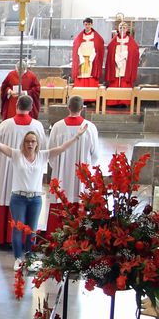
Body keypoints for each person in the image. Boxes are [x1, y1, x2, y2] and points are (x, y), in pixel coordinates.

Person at [0, 115, 89, 268]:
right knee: (18, 230)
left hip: (35, 199)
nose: (30, 144)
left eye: (33, 141)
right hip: (18, 198)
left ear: (37, 143)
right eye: (27, 141)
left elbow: (62, 148)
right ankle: (18, 258)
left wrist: (77, 136)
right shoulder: (16, 155)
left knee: (32, 231)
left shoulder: (42, 156)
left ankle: (29, 259)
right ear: (23, 143)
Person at [0, 94, 47, 248]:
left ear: (16, 106)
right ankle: (26, 245)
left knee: (7, 199)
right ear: (31, 108)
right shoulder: (37, 126)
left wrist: (3, 164)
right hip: (29, 175)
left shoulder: (5, 125)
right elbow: (42, 150)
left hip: (9, 169)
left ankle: (4, 239)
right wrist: (36, 168)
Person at [45, 95, 100, 231]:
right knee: (80, 201)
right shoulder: (90, 127)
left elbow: (51, 153)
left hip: (61, 175)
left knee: (60, 203)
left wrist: (58, 167)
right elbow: (96, 155)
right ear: (82, 108)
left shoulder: (57, 127)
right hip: (81, 177)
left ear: (68, 107)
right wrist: (86, 167)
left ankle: (56, 239)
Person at [103, 20, 140, 108]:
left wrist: (125, 56)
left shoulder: (131, 41)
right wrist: (116, 59)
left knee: (124, 82)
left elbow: (134, 51)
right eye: (120, 28)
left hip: (125, 64)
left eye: (124, 28)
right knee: (115, 81)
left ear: (127, 29)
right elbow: (110, 51)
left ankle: (124, 101)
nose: (122, 29)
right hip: (116, 65)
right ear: (118, 29)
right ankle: (113, 102)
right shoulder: (114, 40)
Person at [71, 17, 105, 89]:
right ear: (84, 25)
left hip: (92, 59)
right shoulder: (79, 36)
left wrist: (93, 56)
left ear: (91, 25)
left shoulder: (97, 37)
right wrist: (80, 56)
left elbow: (99, 46)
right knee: (82, 75)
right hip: (82, 59)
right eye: (86, 24)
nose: (87, 26)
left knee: (90, 74)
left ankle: (91, 95)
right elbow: (76, 46)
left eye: (89, 24)